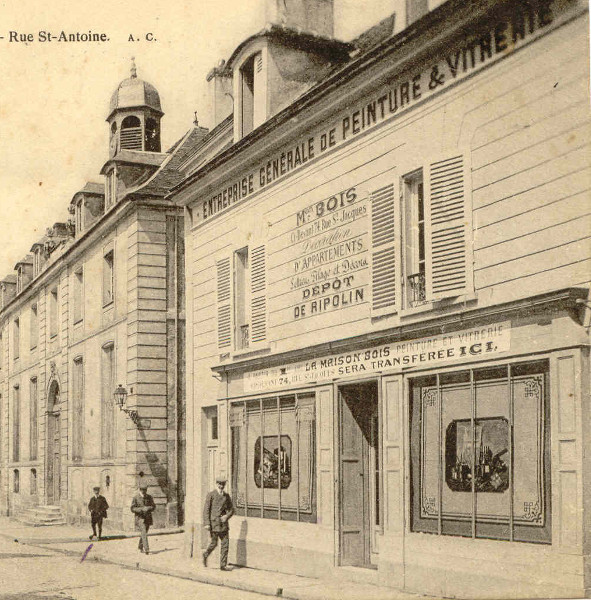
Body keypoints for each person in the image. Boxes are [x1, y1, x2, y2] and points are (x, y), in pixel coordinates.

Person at [202, 477, 234, 571]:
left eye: (223, 484)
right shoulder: (211, 495)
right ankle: (206, 554)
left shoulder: (226, 496)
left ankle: (223, 565)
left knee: (225, 544)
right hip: (214, 524)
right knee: (214, 543)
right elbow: (206, 510)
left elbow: (232, 510)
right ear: (216, 484)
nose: (221, 486)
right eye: (219, 484)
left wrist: (226, 516)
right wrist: (207, 523)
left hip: (223, 524)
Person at [130, 483, 155, 555]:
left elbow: (153, 506)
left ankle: (140, 546)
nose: (144, 492)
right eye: (142, 490)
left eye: (145, 490)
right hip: (140, 518)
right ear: (140, 490)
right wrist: (141, 509)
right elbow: (132, 508)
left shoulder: (149, 497)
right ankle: (147, 549)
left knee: (144, 533)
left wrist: (149, 508)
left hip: (148, 518)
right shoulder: (136, 498)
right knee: (144, 532)